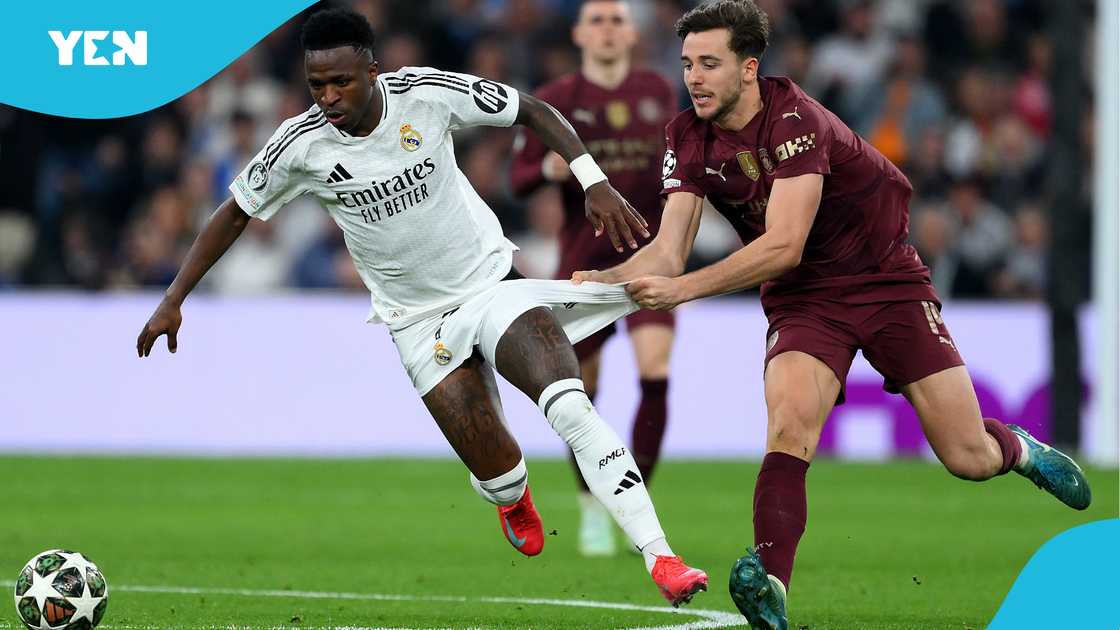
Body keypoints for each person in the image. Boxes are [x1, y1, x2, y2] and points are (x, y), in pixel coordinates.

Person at [135, 7, 708, 607]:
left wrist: (593, 180)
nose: (328, 97)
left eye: (341, 82)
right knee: (500, 470)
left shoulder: (427, 93)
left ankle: (662, 558)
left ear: (372, 70)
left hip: (492, 285)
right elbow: (234, 212)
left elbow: (532, 109)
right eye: (316, 85)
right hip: (416, 322)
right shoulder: (300, 145)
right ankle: (511, 495)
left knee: (569, 407)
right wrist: (174, 298)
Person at [572, 1, 1090, 627]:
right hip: (804, 298)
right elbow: (667, 250)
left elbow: (782, 243)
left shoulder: (796, 120)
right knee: (789, 425)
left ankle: (1020, 451)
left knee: (967, 457)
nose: (694, 78)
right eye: (687, 64)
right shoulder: (686, 134)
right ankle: (771, 585)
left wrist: (680, 292)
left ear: (748, 69)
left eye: (710, 63)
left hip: (885, 279)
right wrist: (596, 284)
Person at [510, 0, 678, 557]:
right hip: (582, 267)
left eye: (617, 19)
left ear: (632, 33)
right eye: (597, 19)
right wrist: (551, 168)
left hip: (651, 260)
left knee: (656, 374)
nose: (607, 29)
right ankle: (590, 508)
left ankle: (636, 505)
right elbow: (518, 178)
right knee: (583, 393)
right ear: (580, 33)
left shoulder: (660, 91)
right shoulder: (556, 99)